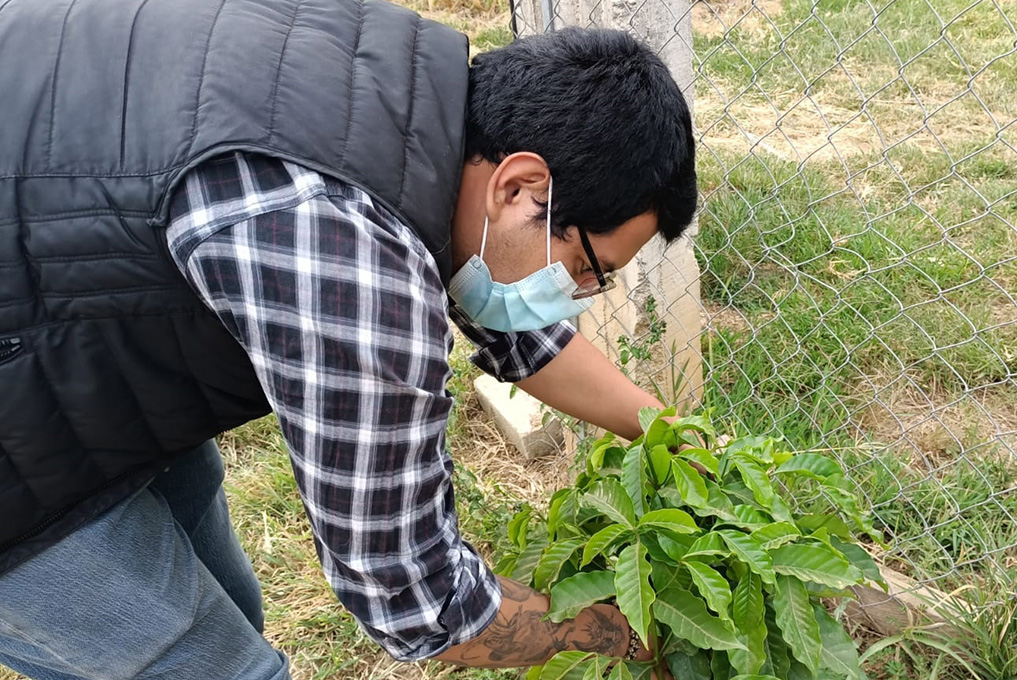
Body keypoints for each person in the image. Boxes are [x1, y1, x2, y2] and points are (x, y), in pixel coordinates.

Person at [0, 0, 696, 678]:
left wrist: (672, 434)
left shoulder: (405, 93)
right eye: (587, 268)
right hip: (17, 439)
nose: (580, 293)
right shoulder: (349, 262)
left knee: (231, 604)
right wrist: (616, 630)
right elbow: (419, 602)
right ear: (519, 186)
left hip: (69, 305)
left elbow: (520, 326)